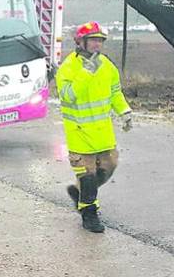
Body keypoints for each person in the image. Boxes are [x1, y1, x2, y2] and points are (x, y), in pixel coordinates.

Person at [55, 21, 132, 233]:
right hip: (79, 134)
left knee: (109, 168)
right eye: (93, 41)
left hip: (103, 133)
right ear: (81, 42)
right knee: (87, 176)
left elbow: (115, 92)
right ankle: (89, 215)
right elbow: (68, 97)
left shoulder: (107, 65)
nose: (97, 45)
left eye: (100, 41)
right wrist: (86, 73)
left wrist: (124, 111)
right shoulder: (68, 68)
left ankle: (81, 195)